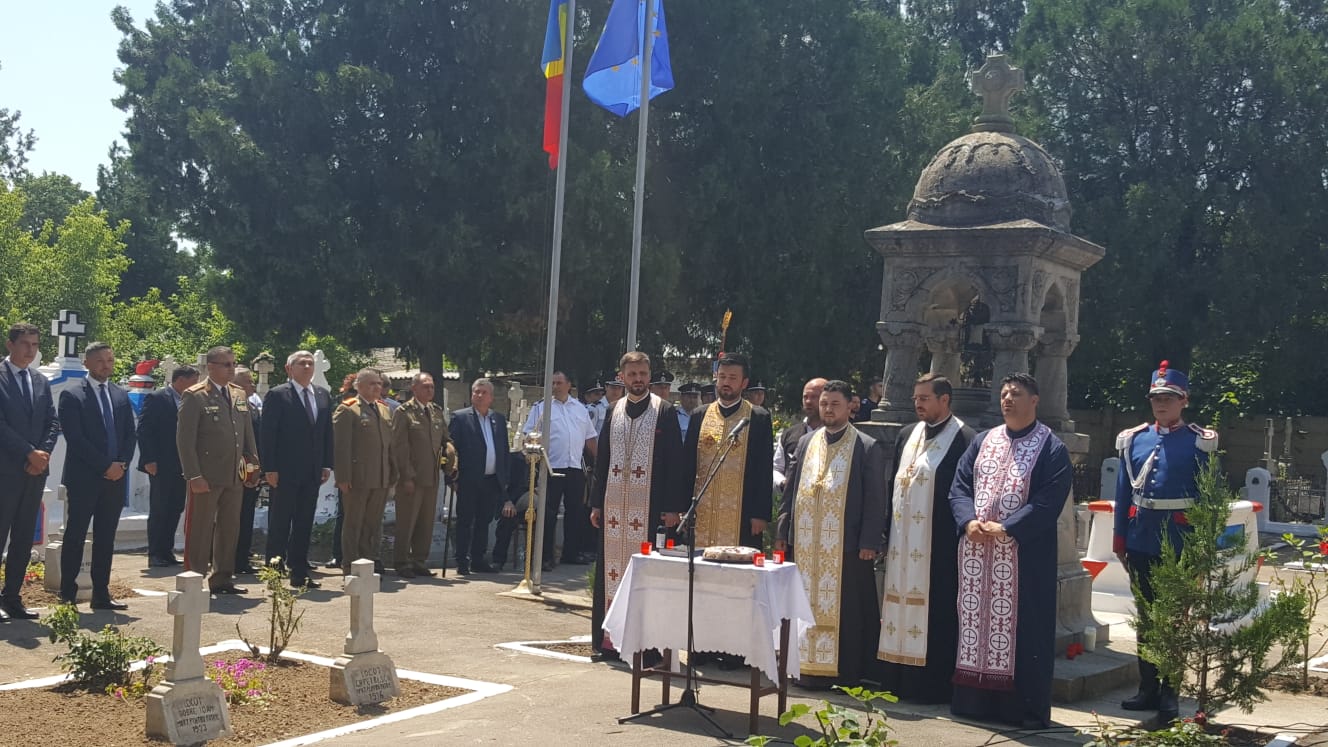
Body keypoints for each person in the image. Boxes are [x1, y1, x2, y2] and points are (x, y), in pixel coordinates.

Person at [948, 372, 1072, 730]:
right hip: (977, 554)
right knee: (975, 626)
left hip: (1023, 557)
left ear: (1035, 400)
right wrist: (968, 520)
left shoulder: (1051, 447)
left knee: (1023, 630)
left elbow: (1049, 500)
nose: (1007, 399)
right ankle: (973, 702)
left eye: (1016, 393)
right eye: (1003, 393)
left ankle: (1020, 709)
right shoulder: (983, 441)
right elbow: (960, 486)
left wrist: (1009, 527)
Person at [1114, 360, 1216, 723]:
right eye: (1156, 397)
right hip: (1141, 539)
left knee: (1174, 621)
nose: (1161, 403)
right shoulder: (1134, 439)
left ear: (1183, 400)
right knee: (1146, 617)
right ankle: (1148, 689)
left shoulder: (1198, 442)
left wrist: (1203, 548)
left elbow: (1207, 500)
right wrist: (1119, 539)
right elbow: (1124, 492)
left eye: (1169, 398)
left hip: (1180, 542)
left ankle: (1170, 694)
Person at [775, 379, 886, 687]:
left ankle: (843, 673)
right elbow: (791, 488)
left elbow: (875, 498)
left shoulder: (865, 445)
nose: (828, 409)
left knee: (847, 611)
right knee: (803, 604)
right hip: (807, 544)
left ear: (850, 407)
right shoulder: (808, 442)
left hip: (845, 547)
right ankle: (802, 667)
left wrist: (869, 541)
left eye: (835, 404)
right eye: (824, 404)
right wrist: (783, 531)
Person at [876, 373, 974, 703]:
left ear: (944, 400)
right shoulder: (908, 434)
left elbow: (964, 492)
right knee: (896, 608)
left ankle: (930, 686)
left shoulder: (964, 438)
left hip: (938, 547)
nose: (917, 403)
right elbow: (893, 486)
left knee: (937, 612)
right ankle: (894, 679)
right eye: (916, 398)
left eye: (924, 398)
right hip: (902, 544)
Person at [588, 351, 687, 658]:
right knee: (611, 572)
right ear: (622, 377)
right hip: (615, 508)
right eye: (632, 374)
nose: (639, 379)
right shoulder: (613, 410)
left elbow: (676, 463)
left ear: (649, 374)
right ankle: (608, 642)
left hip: (650, 508)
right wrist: (596, 504)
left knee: (648, 573)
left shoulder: (664, 411)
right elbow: (602, 458)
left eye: (643, 373)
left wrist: (672, 508)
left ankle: (648, 646)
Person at [57, 342, 138, 610]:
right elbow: (76, 439)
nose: (107, 365)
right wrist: (105, 466)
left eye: (111, 360)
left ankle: (101, 594)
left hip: (115, 479)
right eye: (101, 360)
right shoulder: (72, 395)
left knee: (106, 536)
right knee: (76, 534)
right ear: (88, 363)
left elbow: (129, 434)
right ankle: (68, 593)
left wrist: (121, 465)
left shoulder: (120, 394)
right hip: (85, 477)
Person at [176, 345, 259, 594]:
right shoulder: (195, 395)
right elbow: (185, 440)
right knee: (200, 527)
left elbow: (246, 434)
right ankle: (194, 578)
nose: (232, 368)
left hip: (234, 473)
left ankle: (222, 577)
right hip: (207, 474)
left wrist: (252, 465)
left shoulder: (238, 393)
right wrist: (194, 475)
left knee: (229, 527)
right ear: (210, 367)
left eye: (233, 364)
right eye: (226, 364)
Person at [682, 353, 774, 549]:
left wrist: (760, 514)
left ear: (744, 382)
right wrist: (682, 507)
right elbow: (688, 464)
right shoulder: (700, 414)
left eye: (732, 378)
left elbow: (763, 469)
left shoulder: (758, 417)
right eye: (722, 377)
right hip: (702, 510)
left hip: (743, 512)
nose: (726, 382)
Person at [0, 323, 59, 621]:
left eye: (35, 345)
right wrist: (28, 452)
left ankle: (12, 598)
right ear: (10, 344)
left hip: (34, 473)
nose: (30, 351)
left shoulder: (39, 381)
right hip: (6, 471)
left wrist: (43, 455)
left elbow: (52, 422)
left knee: (24, 537)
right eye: (25, 344)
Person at [261, 351, 333, 589]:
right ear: (289, 368)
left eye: (310, 363)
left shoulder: (322, 395)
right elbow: (268, 434)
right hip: (284, 470)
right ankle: (273, 572)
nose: (307, 367)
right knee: (281, 522)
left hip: (312, 471)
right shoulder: (278, 395)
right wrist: (269, 468)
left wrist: (326, 463)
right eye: (301, 363)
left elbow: (326, 433)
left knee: (304, 522)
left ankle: (299, 572)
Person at [523, 371, 597, 572]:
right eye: (552, 383)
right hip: (550, 466)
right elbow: (529, 434)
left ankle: (571, 553)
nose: (555, 386)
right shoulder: (541, 408)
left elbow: (590, 437)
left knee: (575, 512)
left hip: (574, 467)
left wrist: (599, 461)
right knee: (548, 512)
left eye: (559, 383)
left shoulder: (580, 409)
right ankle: (545, 556)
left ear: (569, 385)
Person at [391, 372, 455, 578]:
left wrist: (451, 454)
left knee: (426, 521)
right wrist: (406, 476)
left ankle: (419, 560)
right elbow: (399, 446)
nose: (430, 390)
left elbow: (445, 438)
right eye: (425, 386)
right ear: (414, 388)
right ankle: (402, 562)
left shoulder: (435, 412)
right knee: (407, 521)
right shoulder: (404, 412)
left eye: (432, 387)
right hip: (411, 477)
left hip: (432, 476)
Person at [333, 368, 394, 574]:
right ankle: (350, 565)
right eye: (372, 384)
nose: (377, 387)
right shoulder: (348, 409)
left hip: (381, 476)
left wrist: (392, 473)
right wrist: (343, 477)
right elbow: (341, 447)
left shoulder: (384, 409)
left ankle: (368, 563)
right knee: (354, 523)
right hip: (357, 478)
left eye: (379, 384)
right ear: (358, 386)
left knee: (373, 523)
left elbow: (389, 445)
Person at [140, 364, 199, 568]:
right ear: (180, 380)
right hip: (161, 463)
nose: (196, 386)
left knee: (175, 507)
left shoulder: (191, 400)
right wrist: (149, 459)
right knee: (159, 508)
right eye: (193, 382)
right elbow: (145, 429)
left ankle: (167, 551)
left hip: (182, 464)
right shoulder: (158, 398)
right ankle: (155, 552)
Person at [450, 377, 510, 575]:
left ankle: (478, 558)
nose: (479, 395)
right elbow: (452, 450)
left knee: (484, 521)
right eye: (476, 391)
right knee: (465, 520)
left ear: (491, 397)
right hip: (468, 479)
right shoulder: (460, 417)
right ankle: (462, 560)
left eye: (484, 392)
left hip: (491, 480)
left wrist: (504, 479)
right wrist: (453, 478)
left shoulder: (498, 419)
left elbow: (503, 450)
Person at [325, 372, 358, 569]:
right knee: (344, 514)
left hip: (367, 471)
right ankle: (339, 554)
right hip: (349, 468)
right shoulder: (344, 406)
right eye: (352, 390)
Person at [231, 366, 262, 575]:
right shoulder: (233, 404)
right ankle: (229, 559)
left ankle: (242, 558)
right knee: (232, 517)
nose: (252, 385)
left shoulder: (252, 406)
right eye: (248, 381)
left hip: (251, 470)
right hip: (235, 471)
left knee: (246, 515)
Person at [773, 377, 827, 494]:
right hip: (793, 504)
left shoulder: (835, 434)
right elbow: (776, 468)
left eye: (814, 397)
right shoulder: (789, 434)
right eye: (805, 397)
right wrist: (783, 483)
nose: (808, 401)